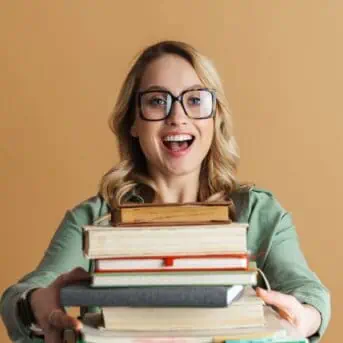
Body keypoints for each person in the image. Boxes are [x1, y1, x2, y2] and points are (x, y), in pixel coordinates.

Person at [0, 41, 330, 343]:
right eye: (157, 101)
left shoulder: (258, 213)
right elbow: (23, 293)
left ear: (215, 117)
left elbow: (309, 293)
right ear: (133, 122)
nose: (177, 117)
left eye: (195, 100)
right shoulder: (94, 219)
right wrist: (35, 303)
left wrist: (305, 317)